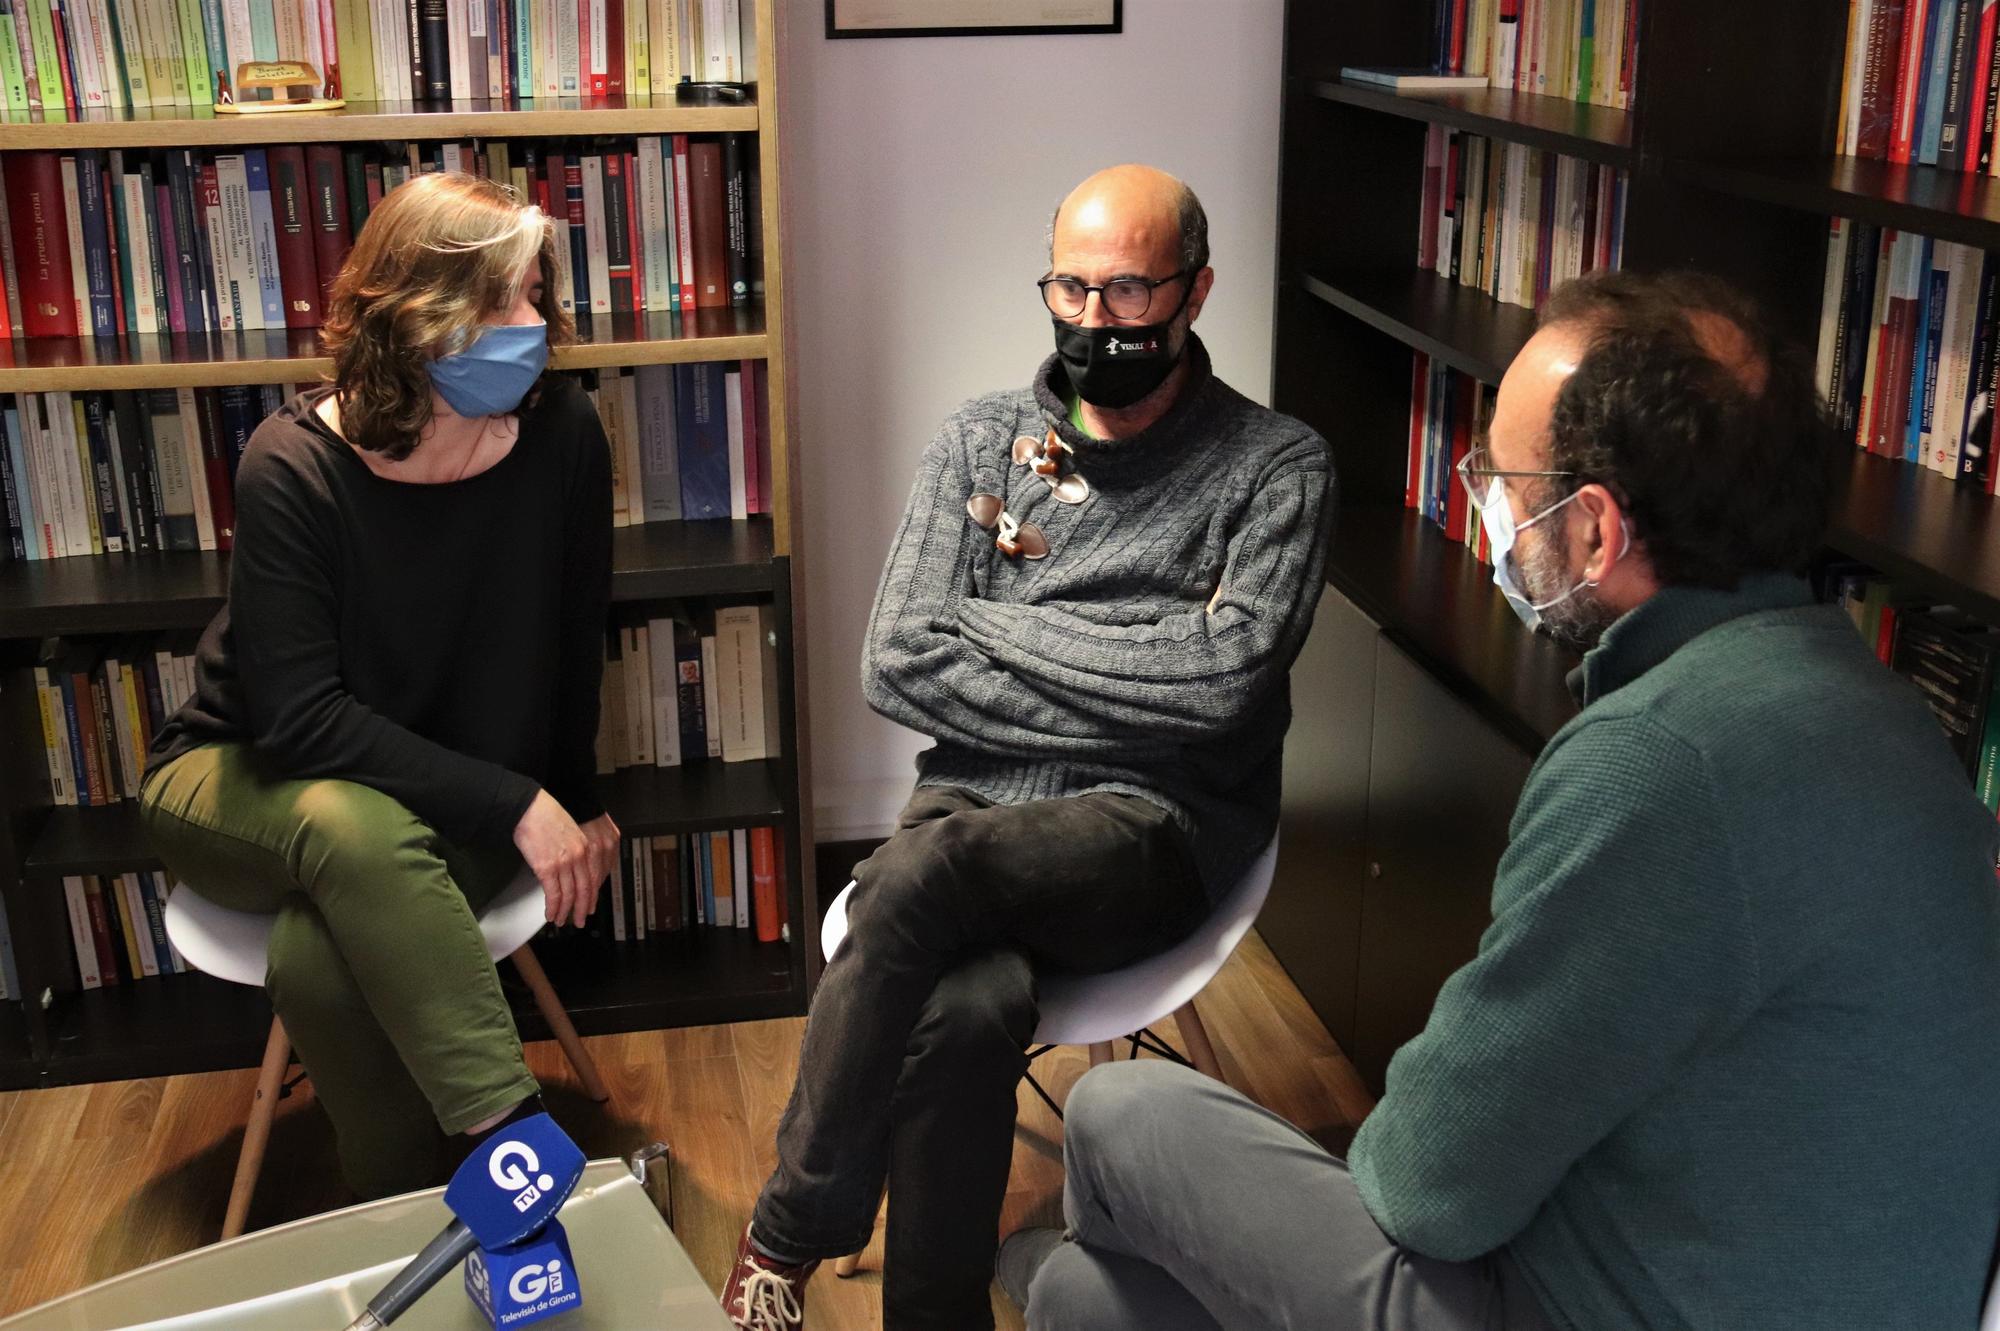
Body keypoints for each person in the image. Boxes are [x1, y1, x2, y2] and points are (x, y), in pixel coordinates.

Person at [998, 269, 2000, 1331]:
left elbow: (1423, 1181)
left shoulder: (1655, 762)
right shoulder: (1879, 707)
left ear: (1596, 532)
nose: (1493, 514)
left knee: (1116, 1113)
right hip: (1800, 1263)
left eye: (1507, 483)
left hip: (1614, 1297)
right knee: (1085, 1294)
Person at [720, 164, 1334, 1331]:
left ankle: (784, 1235)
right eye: (1070, 287)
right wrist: (1133, 646)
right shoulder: (979, 438)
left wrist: (996, 624)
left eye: (1128, 292)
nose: (1093, 321)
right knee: (965, 1004)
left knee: (920, 875)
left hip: (1157, 825)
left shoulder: (1275, 465)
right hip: (969, 799)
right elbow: (895, 660)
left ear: (1194, 292)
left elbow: (1219, 687)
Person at [139, 172, 620, 1201]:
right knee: (350, 827)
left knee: (320, 961)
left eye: (535, 294)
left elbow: (578, 638)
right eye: (505, 300)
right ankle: (515, 1149)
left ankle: (399, 1219)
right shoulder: (292, 464)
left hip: (448, 798)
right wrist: (519, 802)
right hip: (243, 776)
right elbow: (299, 718)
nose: (533, 323)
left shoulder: (565, 437)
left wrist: (574, 797)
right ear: (417, 314)